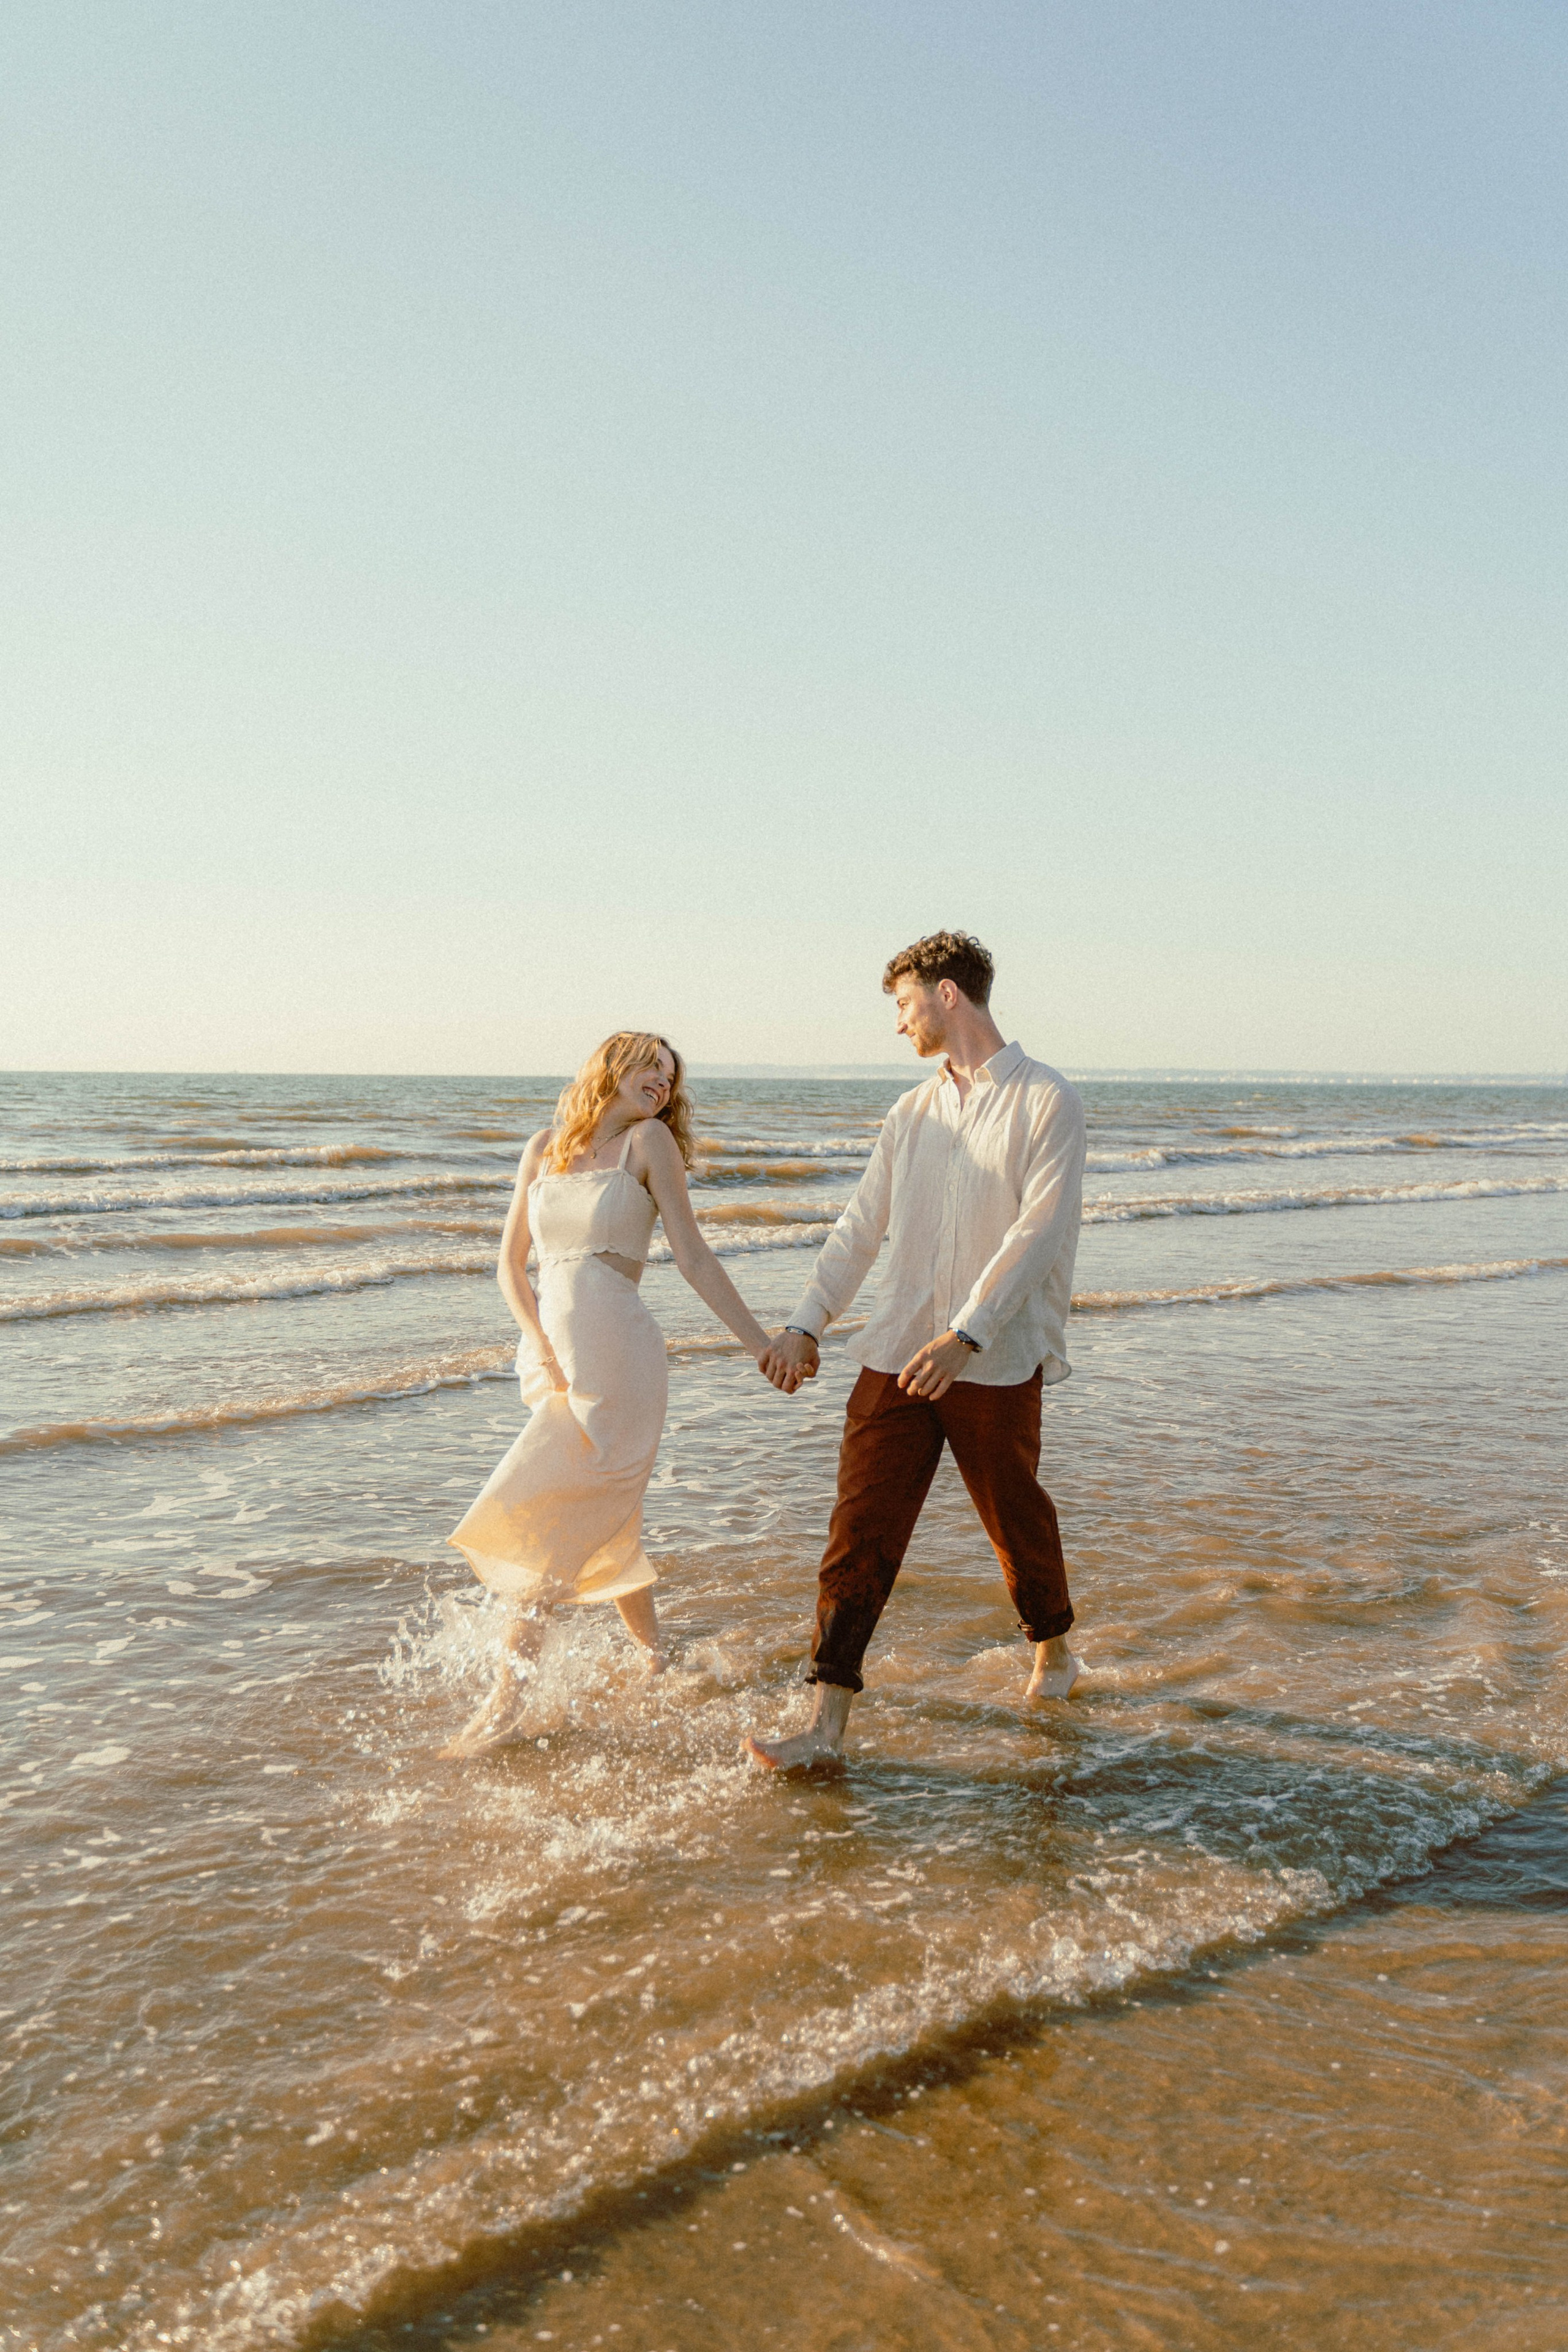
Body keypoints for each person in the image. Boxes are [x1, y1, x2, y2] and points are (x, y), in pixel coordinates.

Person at [747, 932, 1087, 1769]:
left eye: (903, 1004)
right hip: (897, 1351)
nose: (898, 1024)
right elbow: (861, 1226)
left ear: (947, 996)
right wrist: (807, 1319)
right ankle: (825, 1723)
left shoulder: (1048, 1100)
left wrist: (967, 1332)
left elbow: (1039, 1231)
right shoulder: (910, 1112)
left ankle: (1053, 1644)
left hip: (995, 1358)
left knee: (1014, 1516)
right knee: (859, 1529)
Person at [444, 1031, 774, 1754]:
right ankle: (655, 1655)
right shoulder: (544, 1147)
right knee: (607, 1514)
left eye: (670, 1075)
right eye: (649, 1067)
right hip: (554, 1359)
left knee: (551, 1525)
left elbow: (691, 1255)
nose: (661, 1082)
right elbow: (509, 1267)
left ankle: (504, 1707)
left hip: (619, 1356)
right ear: (611, 1067)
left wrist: (760, 1345)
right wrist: (537, 1346)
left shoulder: (650, 1144)